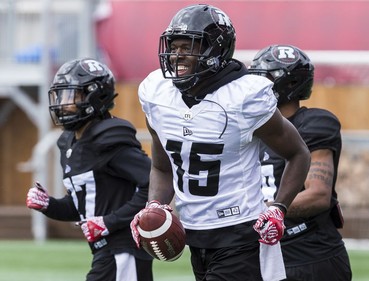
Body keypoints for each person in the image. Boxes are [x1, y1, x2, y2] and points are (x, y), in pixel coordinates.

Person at [130, 4, 311, 281]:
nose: (176, 55)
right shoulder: (157, 95)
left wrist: (278, 208)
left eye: (187, 46)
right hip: (195, 237)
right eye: (173, 46)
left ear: (214, 51)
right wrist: (154, 205)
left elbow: (298, 153)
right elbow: (163, 167)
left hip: (241, 234)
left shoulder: (243, 97)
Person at [26, 58, 154, 281]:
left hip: (124, 250)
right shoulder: (69, 143)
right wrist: (49, 204)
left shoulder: (110, 139)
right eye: (61, 96)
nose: (63, 104)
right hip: (106, 252)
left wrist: (109, 222)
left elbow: (153, 184)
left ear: (95, 96)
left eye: (71, 96)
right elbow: (82, 206)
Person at [248, 44, 352, 281]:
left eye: (263, 78)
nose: (254, 87)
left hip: (310, 253)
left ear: (289, 84)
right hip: (260, 253)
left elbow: (317, 195)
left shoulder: (313, 123)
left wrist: (260, 212)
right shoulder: (248, 128)